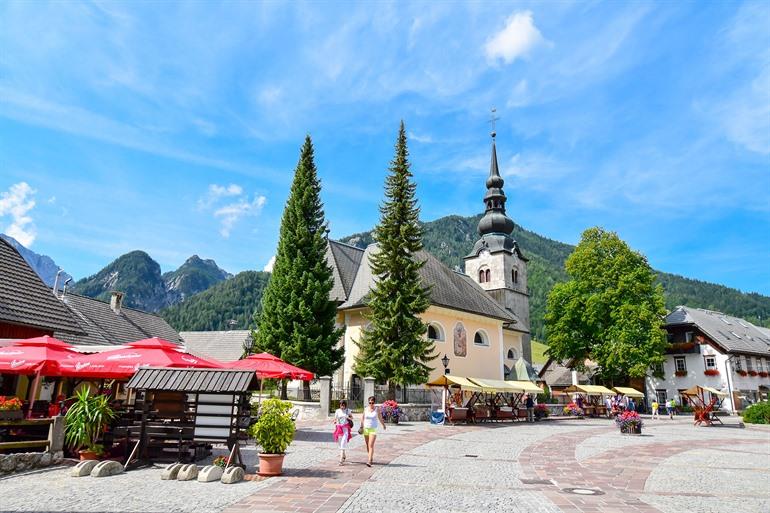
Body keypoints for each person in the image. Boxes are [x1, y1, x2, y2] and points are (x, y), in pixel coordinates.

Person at [361, 395, 386, 467]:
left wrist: (383, 425)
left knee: (370, 445)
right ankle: (370, 457)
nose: (371, 404)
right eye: (370, 402)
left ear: (374, 403)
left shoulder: (377, 409)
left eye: (372, 402)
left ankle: (369, 461)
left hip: (373, 429)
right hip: (366, 429)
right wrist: (361, 426)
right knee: (367, 445)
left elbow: (380, 418)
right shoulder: (365, 409)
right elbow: (362, 418)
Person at [332, 400, 353, 465]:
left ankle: (341, 460)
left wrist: (348, 417)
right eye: (341, 405)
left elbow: (352, 418)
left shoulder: (348, 411)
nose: (342, 406)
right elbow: (335, 419)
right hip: (339, 428)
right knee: (340, 443)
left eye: (343, 405)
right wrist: (335, 421)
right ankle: (344, 455)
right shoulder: (337, 411)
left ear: (345, 405)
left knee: (343, 442)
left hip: (345, 428)